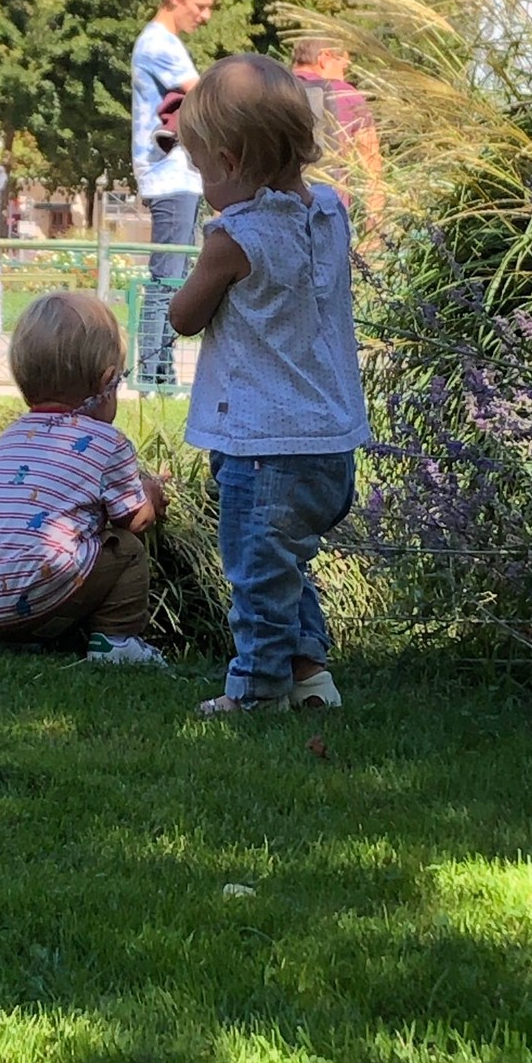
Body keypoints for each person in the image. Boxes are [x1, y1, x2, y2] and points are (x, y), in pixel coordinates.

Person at [168, 53, 371, 714]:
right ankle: (310, 676)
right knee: (287, 562)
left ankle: (256, 690)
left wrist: (201, 274)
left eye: (202, 169)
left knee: (257, 573)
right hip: (330, 440)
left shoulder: (233, 238)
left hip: (264, 443)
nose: (203, 184)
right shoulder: (331, 212)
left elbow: (184, 317)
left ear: (229, 162)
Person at [0, 293, 168, 664]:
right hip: (34, 590)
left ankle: (0, 640)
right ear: (106, 383)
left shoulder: (8, 438)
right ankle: (116, 642)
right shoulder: (107, 442)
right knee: (125, 549)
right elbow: (135, 520)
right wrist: (150, 494)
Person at [131, 0, 216, 385]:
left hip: (177, 177)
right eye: (200, 6)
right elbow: (204, 94)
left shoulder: (165, 42)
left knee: (173, 274)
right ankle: (152, 375)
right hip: (170, 178)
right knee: (167, 275)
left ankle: (158, 372)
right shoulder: (159, 43)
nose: (205, 16)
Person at [290, 37, 385, 236]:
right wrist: (374, 233)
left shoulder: (268, 89)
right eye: (343, 66)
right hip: (329, 218)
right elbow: (372, 168)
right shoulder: (345, 95)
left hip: (273, 218)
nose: (344, 75)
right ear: (325, 58)